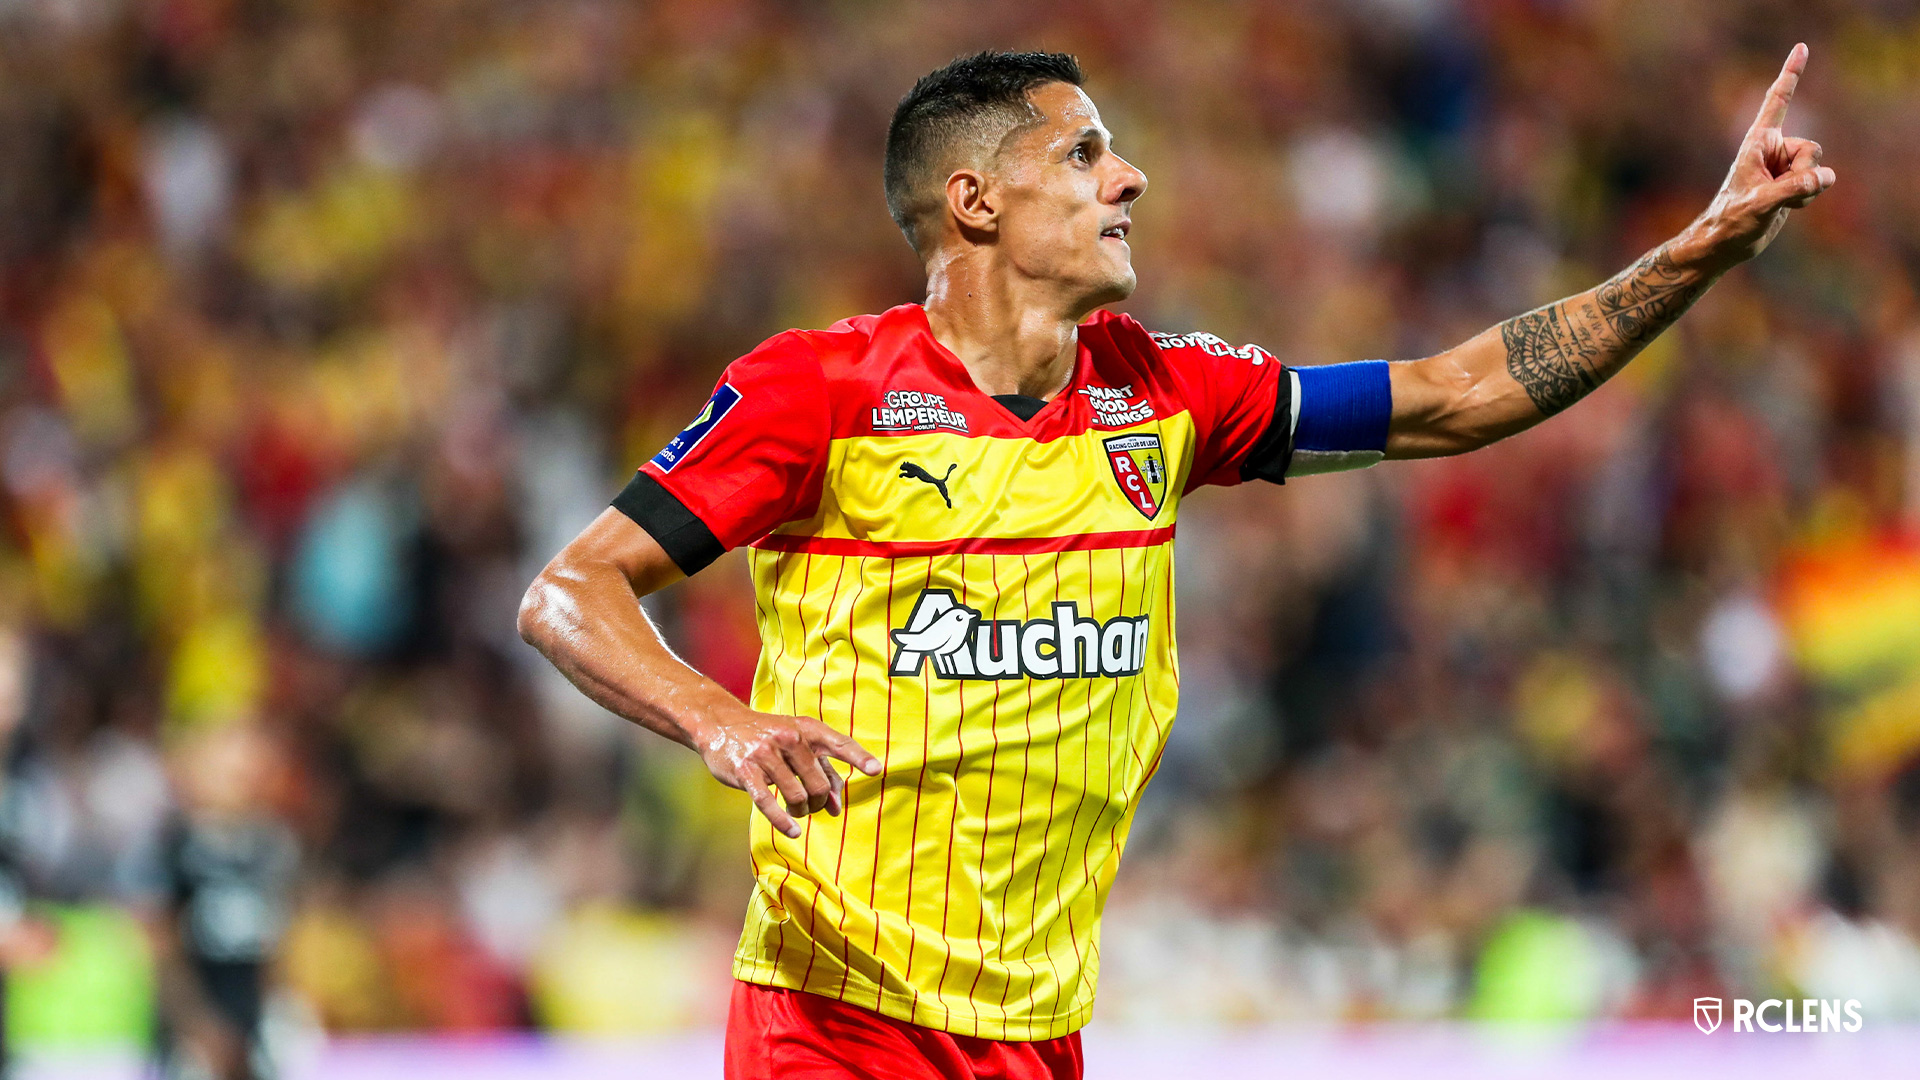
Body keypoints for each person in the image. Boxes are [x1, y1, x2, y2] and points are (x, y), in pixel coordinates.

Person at [519, 46, 1833, 1079]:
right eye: (1084, 153)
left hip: (1038, 1033)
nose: (1129, 177)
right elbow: (569, 589)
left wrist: (1702, 245)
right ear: (973, 201)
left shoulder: (1166, 397)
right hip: (836, 1025)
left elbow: (1457, 394)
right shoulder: (819, 391)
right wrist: (722, 723)